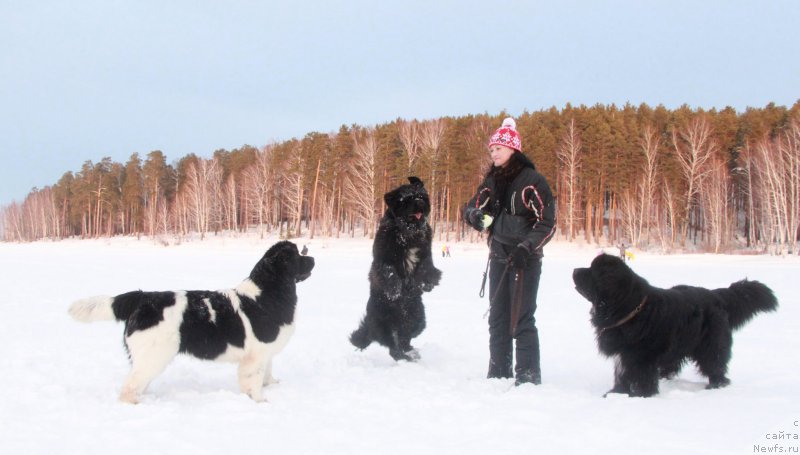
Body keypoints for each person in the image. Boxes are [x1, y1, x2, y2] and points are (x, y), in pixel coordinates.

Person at [463, 117, 556, 386]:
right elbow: (474, 206)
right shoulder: (492, 180)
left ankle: (527, 378)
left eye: (498, 148)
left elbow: (547, 222)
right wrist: (473, 215)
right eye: (491, 149)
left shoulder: (533, 180)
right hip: (499, 255)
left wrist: (527, 247)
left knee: (521, 318)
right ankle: (498, 373)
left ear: (513, 149)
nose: (493, 153)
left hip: (525, 259)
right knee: (498, 317)